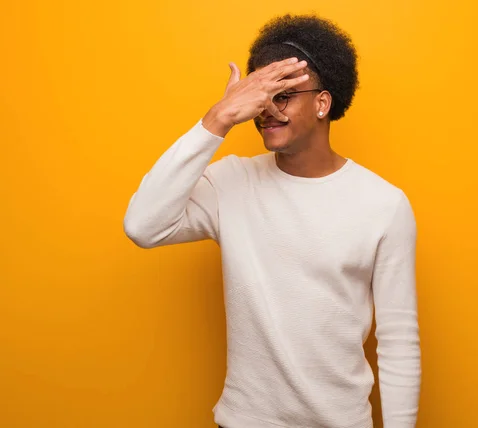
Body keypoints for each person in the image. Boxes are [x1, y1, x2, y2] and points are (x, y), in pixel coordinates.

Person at [124, 13, 421, 428]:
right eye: (260, 94)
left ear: (322, 102)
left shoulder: (384, 205)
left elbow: (398, 342)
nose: (266, 109)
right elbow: (143, 225)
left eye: (283, 95)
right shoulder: (231, 182)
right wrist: (218, 118)